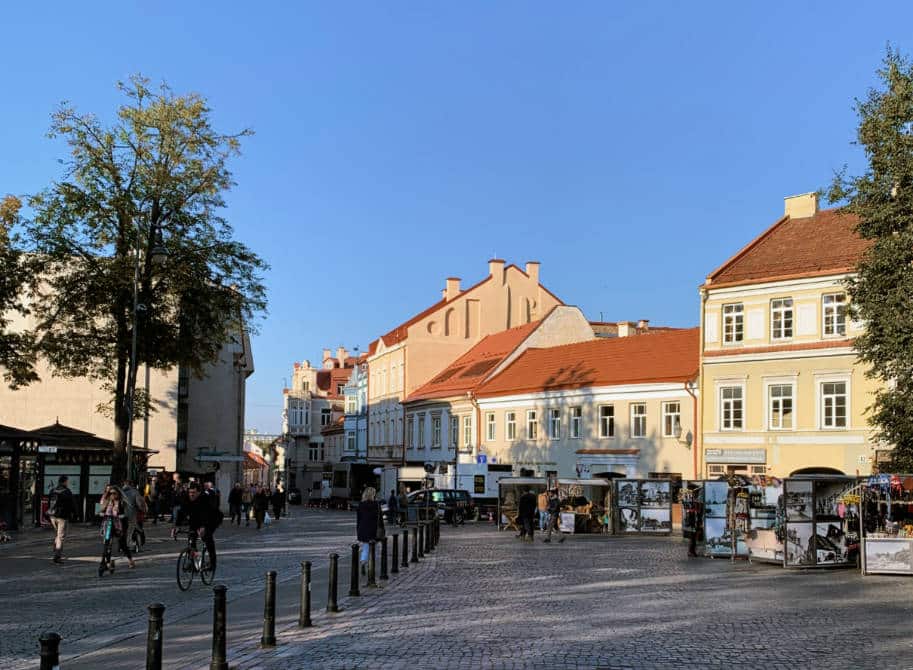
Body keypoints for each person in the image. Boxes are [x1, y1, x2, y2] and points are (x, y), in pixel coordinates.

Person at [173, 482, 221, 570]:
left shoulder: (205, 499)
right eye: (190, 492)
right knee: (191, 538)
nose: (191, 494)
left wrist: (203, 526)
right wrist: (176, 527)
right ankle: (193, 562)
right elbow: (181, 512)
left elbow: (207, 514)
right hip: (195, 519)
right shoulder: (186, 498)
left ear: (199, 492)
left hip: (211, 519)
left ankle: (212, 564)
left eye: (194, 492)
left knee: (207, 538)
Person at [98, 485, 135, 574]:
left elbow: (127, 513)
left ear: (118, 494)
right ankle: (106, 562)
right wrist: (101, 514)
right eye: (110, 493)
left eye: (114, 493)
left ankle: (130, 559)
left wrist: (122, 516)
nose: (112, 495)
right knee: (107, 544)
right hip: (109, 524)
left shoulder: (122, 502)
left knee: (122, 544)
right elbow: (102, 510)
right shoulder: (107, 501)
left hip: (119, 525)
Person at [47, 474, 75, 564]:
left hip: (52, 516)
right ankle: (57, 556)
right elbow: (72, 505)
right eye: (67, 481)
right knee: (61, 536)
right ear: (65, 481)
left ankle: (55, 549)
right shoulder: (67, 491)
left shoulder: (53, 490)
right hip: (62, 517)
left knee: (57, 534)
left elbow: (49, 503)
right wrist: (75, 514)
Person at [356, 487, 383, 575]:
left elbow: (359, 519)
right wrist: (382, 530)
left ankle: (363, 561)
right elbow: (380, 519)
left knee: (365, 546)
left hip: (363, 529)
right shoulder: (376, 504)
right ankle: (370, 565)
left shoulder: (361, 504)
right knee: (373, 548)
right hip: (373, 529)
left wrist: (358, 530)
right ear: (373, 494)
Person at [121, 480, 147, 551]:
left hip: (120, 515)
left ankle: (121, 545)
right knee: (130, 530)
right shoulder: (134, 492)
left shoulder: (120, 492)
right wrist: (143, 510)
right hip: (131, 514)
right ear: (131, 484)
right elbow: (139, 504)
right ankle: (130, 544)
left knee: (122, 530)